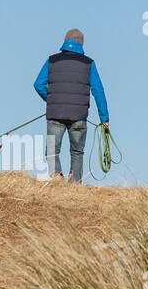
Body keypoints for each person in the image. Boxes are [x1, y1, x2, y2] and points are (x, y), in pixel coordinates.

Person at [32, 28, 109, 183]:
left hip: (55, 114)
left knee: (52, 150)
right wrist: (104, 118)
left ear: (65, 41)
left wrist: (52, 100)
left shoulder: (52, 60)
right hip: (79, 116)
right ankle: (74, 184)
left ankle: (56, 177)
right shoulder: (89, 63)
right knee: (77, 152)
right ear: (81, 44)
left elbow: (38, 84)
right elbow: (98, 91)